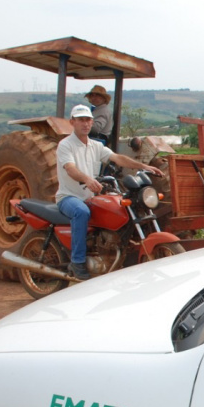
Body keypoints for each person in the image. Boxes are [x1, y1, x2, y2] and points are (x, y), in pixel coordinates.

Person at [56, 104, 163, 281]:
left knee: (117, 207)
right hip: (69, 197)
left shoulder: (95, 146)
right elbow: (70, 169)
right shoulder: (65, 145)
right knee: (81, 212)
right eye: (81, 120)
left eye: (88, 120)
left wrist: (143, 166)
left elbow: (117, 158)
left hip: (91, 196)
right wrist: (88, 179)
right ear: (72, 122)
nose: (85, 124)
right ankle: (77, 262)